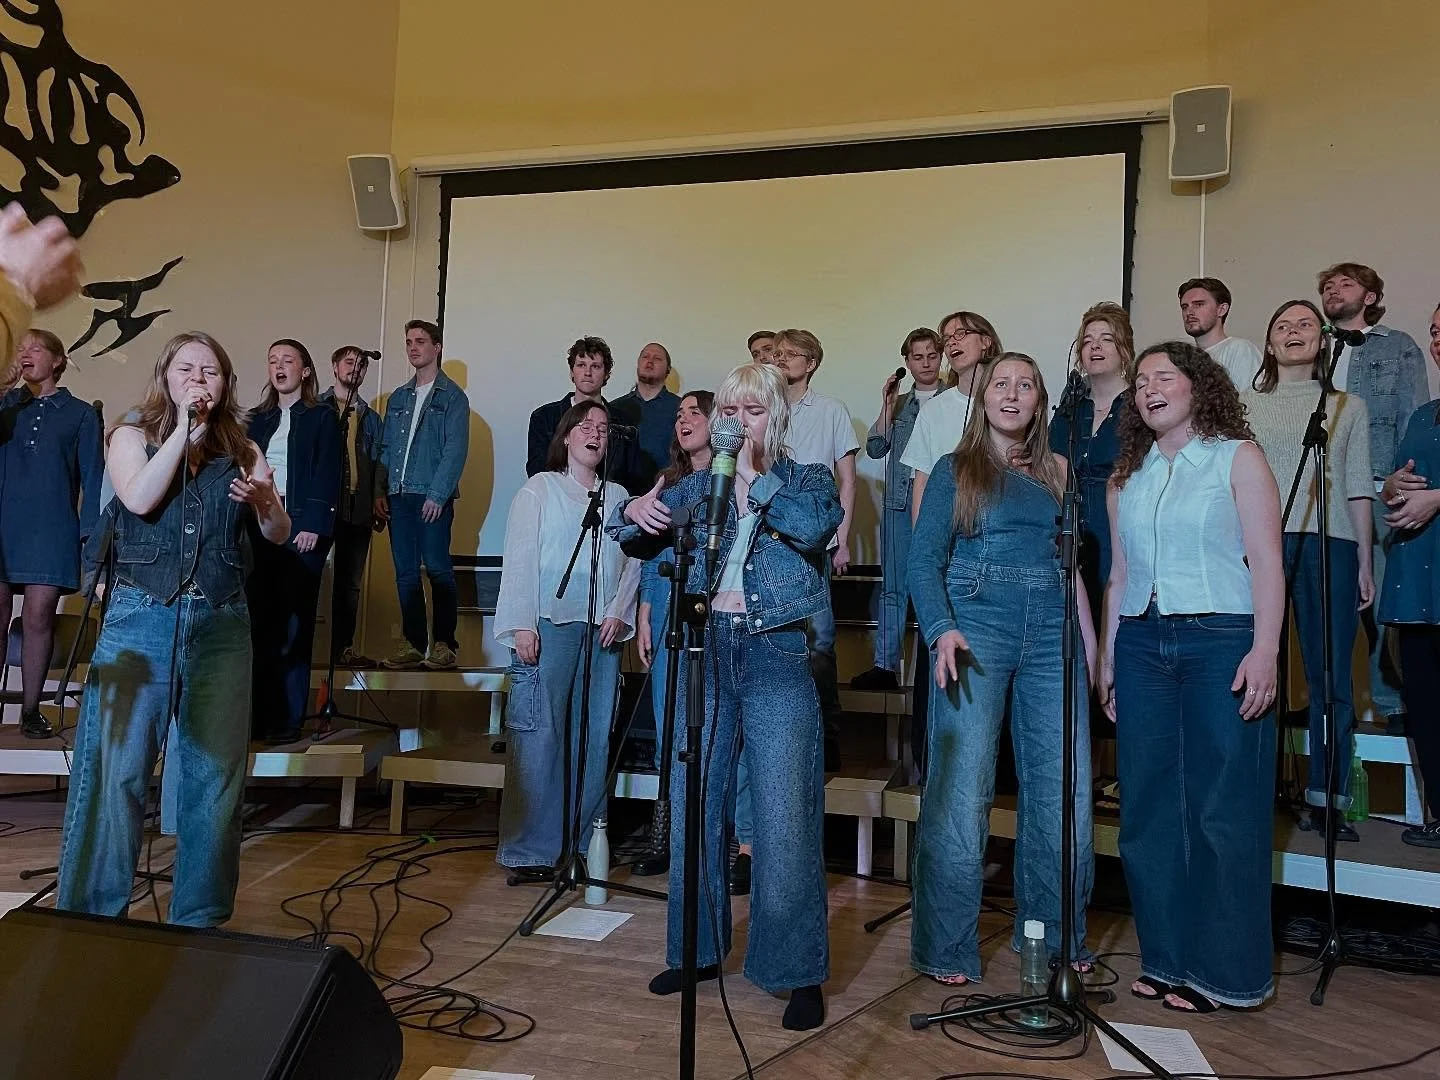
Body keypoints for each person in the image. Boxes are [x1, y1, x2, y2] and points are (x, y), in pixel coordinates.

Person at [612, 361, 840, 1032]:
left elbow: (813, 527)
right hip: (705, 652)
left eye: (753, 412)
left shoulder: (804, 480)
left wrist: (748, 477)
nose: (738, 424)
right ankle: (698, 951)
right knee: (694, 807)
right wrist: (630, 507)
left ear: (777, 417)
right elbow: (632, 535)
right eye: (729, 413)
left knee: (783, 820)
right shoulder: (700, 487)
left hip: (776, 654)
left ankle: (795, 971)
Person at [56, 331, 291, 926]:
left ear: (226, 384)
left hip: (220, 624)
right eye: (186, 369)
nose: (198, 380)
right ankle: (89, 922)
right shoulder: (130, 436)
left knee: (214, 780)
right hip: (141, 620)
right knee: (116, 775)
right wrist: (183, 434)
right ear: (166, 377)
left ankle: (199, 926)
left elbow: (278, 533)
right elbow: (138, 498)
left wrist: (266, 501)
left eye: (210, 371)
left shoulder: (242, 448)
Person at [1100, 341, 1283, 1013]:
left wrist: (1264, 650)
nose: (1149, 387)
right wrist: (1109, 660)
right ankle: (1166, 959)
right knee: (1147, 810)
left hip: (1221, 639)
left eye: (1164, 376)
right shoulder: (1128, 476)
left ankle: (1227, 974)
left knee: (1221, 809)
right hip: (1144, 644)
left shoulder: (1238, 457)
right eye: (1141, 379)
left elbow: (1266, 560)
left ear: (1197, 386)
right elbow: (1119, 577)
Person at [908, 352, 1096, 986]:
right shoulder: (953, 470)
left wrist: (1091, 646)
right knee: (962, 791)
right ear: (982, 396)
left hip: (1053, 632)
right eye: (1001, 385)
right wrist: (941, 630)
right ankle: (946, 946)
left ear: (1041, 401)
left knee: (1062, 788)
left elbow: (1073, 572)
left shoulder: (1060, 474)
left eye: (1026, 385)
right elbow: (921, 563)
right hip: (974, 628)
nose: (1012, 394)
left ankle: (1054, 932)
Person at [1242, 300, 1373, 839]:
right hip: (1260, 544)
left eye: (1304, 324)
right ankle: (1251, 788)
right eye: (1281, 325)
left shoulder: (1348, 406)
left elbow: (1359, 487)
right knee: (1252, 670)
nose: (1293, 332)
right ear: (1269, 342)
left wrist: (1365, 560)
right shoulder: (1244, 404)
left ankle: (1328, 798)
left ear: (1322, 340)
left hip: (1331, 544)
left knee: (1329, 678)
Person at [495, 401, 639, 879]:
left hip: (602, 631)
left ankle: (585, 843)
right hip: (549, 624)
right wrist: (521, 624)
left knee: (595, 737)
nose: (595, 433)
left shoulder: (618, 496)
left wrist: (618, 611)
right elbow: (519, 559)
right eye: (585, 426)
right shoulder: (540, 490)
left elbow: (635, 560)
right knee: (541, 734)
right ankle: (533, 851)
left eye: (602, 428)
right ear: (567, 436)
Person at [1318, 263, 1428, 732]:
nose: (1333, 290)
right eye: (1327, 285)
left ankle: (1391, 703)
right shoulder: (1313, 344)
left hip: (1380, 482)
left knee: (1379, 601)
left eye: (1345, 283)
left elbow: (1413, 412)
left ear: (1370, 296)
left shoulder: (1396, 345)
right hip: (1318, 489)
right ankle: (1320, 702)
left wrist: (1399, 481)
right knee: (1321, 602)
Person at [899, 310, 1002, 774]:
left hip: (998, 551)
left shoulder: (1005, 399)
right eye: (947, 338)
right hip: (948, 551)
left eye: (963, 334)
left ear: (987, 341)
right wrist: (928, 547)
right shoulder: (935, 408)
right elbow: (921, 481)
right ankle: (935, 766)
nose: (953, 342)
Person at [0, 329, 103, 737]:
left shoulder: (78, 413)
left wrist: (89, 535)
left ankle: (30, 710)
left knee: (39, 616)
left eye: (36, 349)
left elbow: (92, 478)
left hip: (52, 526)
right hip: (4, 524)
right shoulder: (6, 406)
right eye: (21, 349)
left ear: (58, 361)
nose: (26, 355)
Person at [765, 328, 857, 771]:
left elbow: (848, 479)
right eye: (777, 354)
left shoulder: (832, 410)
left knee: (819, 639)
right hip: (767, 538)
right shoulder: (764, 407)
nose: (780, 360)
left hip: (814, 539)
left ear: (812, 362)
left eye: (790, 354)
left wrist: (843, 539)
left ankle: (827, 738)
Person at [246, 339, 342, 743]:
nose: (278, 366)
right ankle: (256, 718)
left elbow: (329, 472)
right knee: (259, 623)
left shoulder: (322, 417)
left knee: (293, 625)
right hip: (258, 526)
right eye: (272, 360)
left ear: (305, 371)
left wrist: (314, 525)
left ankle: (286, 719)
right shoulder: (256, 419)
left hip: (302, 527)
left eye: (287, 360)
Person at [1376, 300, 1440, 849]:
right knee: (1426, 708)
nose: (1438, 340)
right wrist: (1393, 487)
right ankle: (1438, 815)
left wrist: (1438, 499)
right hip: (1418, 585)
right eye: (1436, 331)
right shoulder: (1424, 416)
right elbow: (1394, 485)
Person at [853, 327, 943, 692]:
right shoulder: (902, 403)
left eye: (931, 355)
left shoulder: (956, 400)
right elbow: (875, 448)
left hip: (938, 503)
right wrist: (887, 405)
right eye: (917, 357)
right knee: (893, 588)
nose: (925, 363)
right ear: (906, 362)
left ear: (942, 358)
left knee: (936, 584)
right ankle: (885, 666)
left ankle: (936, 662)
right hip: (898, 505)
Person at [375, 319, 468, 670]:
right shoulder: (399, 397)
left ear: (437, 347)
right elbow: (386, 448)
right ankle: (413, 644)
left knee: (439, 570)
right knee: (405, 573)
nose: (413, 347)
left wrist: (438, 494)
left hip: (431, 496)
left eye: (421, 341)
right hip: (398, 495)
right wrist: (380, 491)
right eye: (409, 342)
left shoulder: (453, 397)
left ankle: (445, 645)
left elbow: (455, 450)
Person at [1048, 302, 1133, 607]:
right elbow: (1053, 462)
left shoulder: (1140, 405)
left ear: (1124, 349)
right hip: (1070, 523)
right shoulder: (1071, 405)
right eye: (1087, 340)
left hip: (1119, 526)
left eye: (1106, 339)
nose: (1095, 346)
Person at [320, 346, 384, 667]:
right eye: (349, 362)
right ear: (335, 367)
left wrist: (377, 498)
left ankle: (342, 650)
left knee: (350, 585)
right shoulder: (316, 408)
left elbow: (379, 463)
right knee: (309, 579)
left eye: (361, 366)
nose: (356, 369)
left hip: (357, 509)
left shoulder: (371, 418)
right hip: (321, 509)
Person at [526, 336, 611, 478]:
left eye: (595, 366)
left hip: (611, 498)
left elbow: (629, 476)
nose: (588, 373)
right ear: (572, 372)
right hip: (556, 498)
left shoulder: (623, 422)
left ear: (606, 374)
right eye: (581, 365)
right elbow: (537, 471)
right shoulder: (543, 417)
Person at [609, 341, 681, 494]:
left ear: (668, 369)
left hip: (667, 495)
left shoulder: (680, 409)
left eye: (657, 358)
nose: (650, 361)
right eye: (645, 356)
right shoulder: (614, 408)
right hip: (620, 496)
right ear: (637, 364)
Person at [1178, 277, 1262, 388]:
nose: (1189, 312)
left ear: (1221, 310)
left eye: (1198, 304)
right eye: (1184, 307)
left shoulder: (1240, 349)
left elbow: (1251, 401)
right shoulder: (1184, 359)